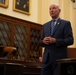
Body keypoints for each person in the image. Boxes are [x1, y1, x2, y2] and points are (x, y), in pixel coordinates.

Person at [40, 4, 74, 75]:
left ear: (59, 10)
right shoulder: (45, 25)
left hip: (59, 59)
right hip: (46, 60)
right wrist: (43, 41)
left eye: (54, 8)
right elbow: (40, 42)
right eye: (50, 9)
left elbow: (70, 40)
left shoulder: (65, 24)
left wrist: (56, 41)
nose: (51, 10)